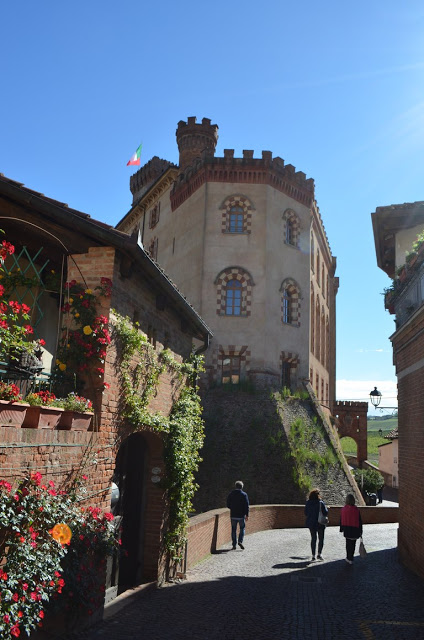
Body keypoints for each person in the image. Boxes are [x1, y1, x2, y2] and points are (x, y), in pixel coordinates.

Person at [304, 488, 328, 561]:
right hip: (320, 523)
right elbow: (325, 512)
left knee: (313, 539)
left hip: (311, 523)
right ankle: (319, 554)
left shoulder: (308, 503)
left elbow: (305, 513)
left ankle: (313, 555)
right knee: (321, 539)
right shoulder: (320, 503)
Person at [340, 493, 363, 565]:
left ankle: (348, 557)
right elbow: (359, 521)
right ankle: (351, 558)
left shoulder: (343, 509)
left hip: (347, 528)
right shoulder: (356, 510)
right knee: (353, 544)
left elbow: (341, 519)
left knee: (348, 544)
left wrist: (341, 528)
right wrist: (360, 531)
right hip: (355, 529)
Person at [226, 480, 249, 550]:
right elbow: (246, 505)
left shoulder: (231, 494)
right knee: (242, 528)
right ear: (242, 487)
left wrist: (232, 508)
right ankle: (240, 541)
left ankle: (234, 545)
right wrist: (247, 514)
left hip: (233, 515)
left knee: (233, 530)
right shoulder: (244, 494)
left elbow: (228, 504)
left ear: (235, 486)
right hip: (241, 515)